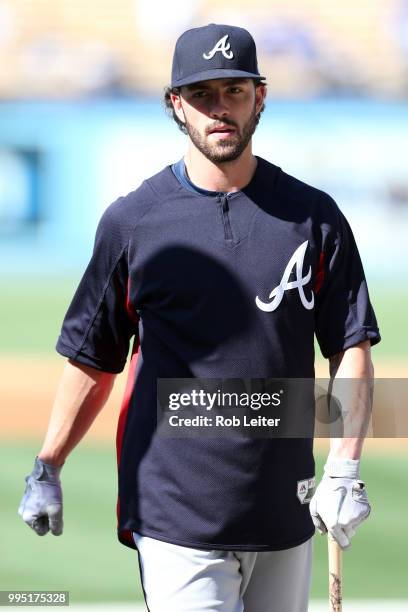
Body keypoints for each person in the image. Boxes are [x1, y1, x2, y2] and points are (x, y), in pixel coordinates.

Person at [18, 23, 380, 612]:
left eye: (234, 91)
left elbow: (351, 347)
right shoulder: (133, 223)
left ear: (260, 97)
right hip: (176, 513)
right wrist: (47, 464)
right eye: (201, 94)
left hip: (287, 507)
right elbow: (93, 356)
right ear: (174, 105)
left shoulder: (315, 218)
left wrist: (345, 469)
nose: (219, 109)